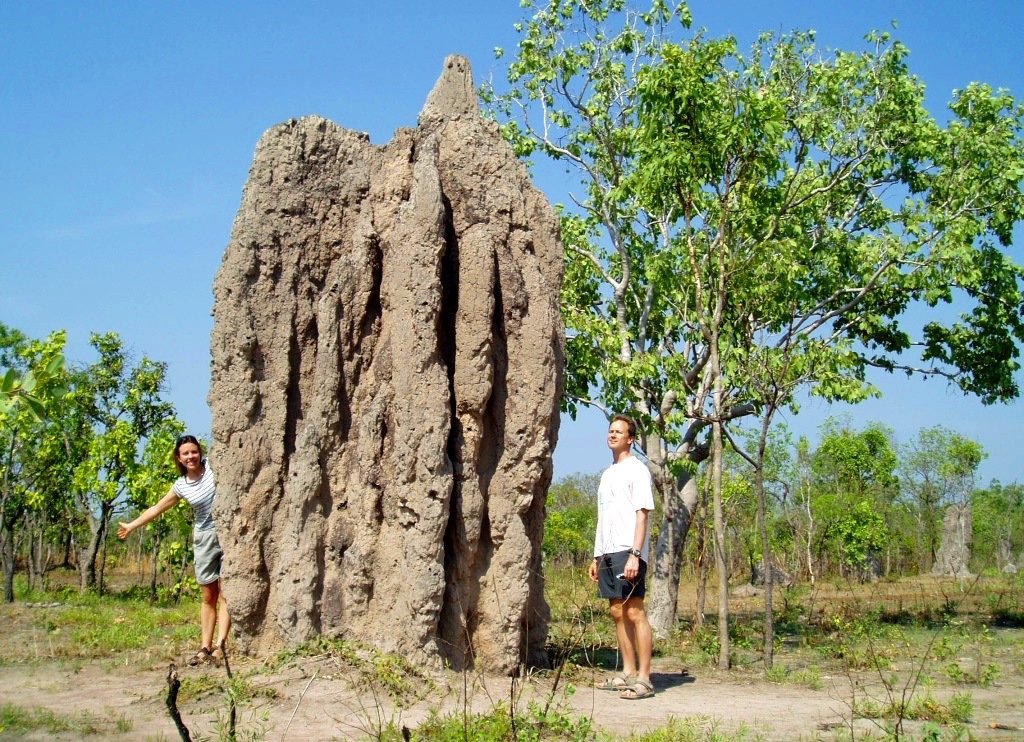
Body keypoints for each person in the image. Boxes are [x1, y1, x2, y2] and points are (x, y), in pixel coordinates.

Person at [118, 434, 231, 666]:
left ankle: (221, 645)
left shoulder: (214, 466)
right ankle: (204, 647)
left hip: (230, 532)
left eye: (194, 451)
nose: (191, 456)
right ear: (179, 459)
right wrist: (131, 525)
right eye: (185, 454)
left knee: (227, 591)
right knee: (208, 595)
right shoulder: (181, 486)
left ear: (200, 452)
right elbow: (157, 508)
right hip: (205, 538)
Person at [588, 414, 656, 699]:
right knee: (617, 611)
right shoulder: (607, 474)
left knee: (634, 611)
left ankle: (645, 678)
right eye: (610, 430)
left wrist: (635, 554)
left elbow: (643, 513)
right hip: (607, 551)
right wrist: (595, 556)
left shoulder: (637, 470)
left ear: (630, 438)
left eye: (619, 431)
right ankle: (627, 672)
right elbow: (604, 516)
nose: (613, 435)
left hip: (628, 550)